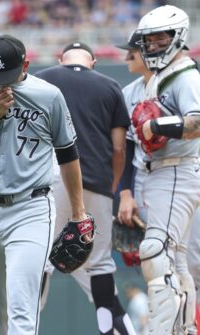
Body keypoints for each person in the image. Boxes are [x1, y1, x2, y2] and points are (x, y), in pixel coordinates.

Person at [0, 34, 90, 335]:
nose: (1, 82)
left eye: (7, 75)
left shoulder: (49, 95)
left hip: (31, 208)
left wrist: (79, 212)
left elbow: (68, 154)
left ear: (26, 65)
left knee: (22, 310)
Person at [116, 30, 200, 335]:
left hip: (180, 175)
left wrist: (158, 126)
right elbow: (128, 146)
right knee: (167, 260)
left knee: (191, 262)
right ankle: (184, 328)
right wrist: (125, 193)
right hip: (149, 178)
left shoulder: (182, 79)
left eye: (132, 51)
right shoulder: (133, 91)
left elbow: (197, 127)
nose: (127, 56)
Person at [34, 42, 136, 335]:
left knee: (40, 260)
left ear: (59, 58)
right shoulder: (111, 86)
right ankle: (109, 330)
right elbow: (119, 148)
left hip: (50, 180)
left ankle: (25, 327)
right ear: (94, 61)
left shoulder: (42, 79)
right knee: (100, 264)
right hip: (95, 180)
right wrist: (113, 184)